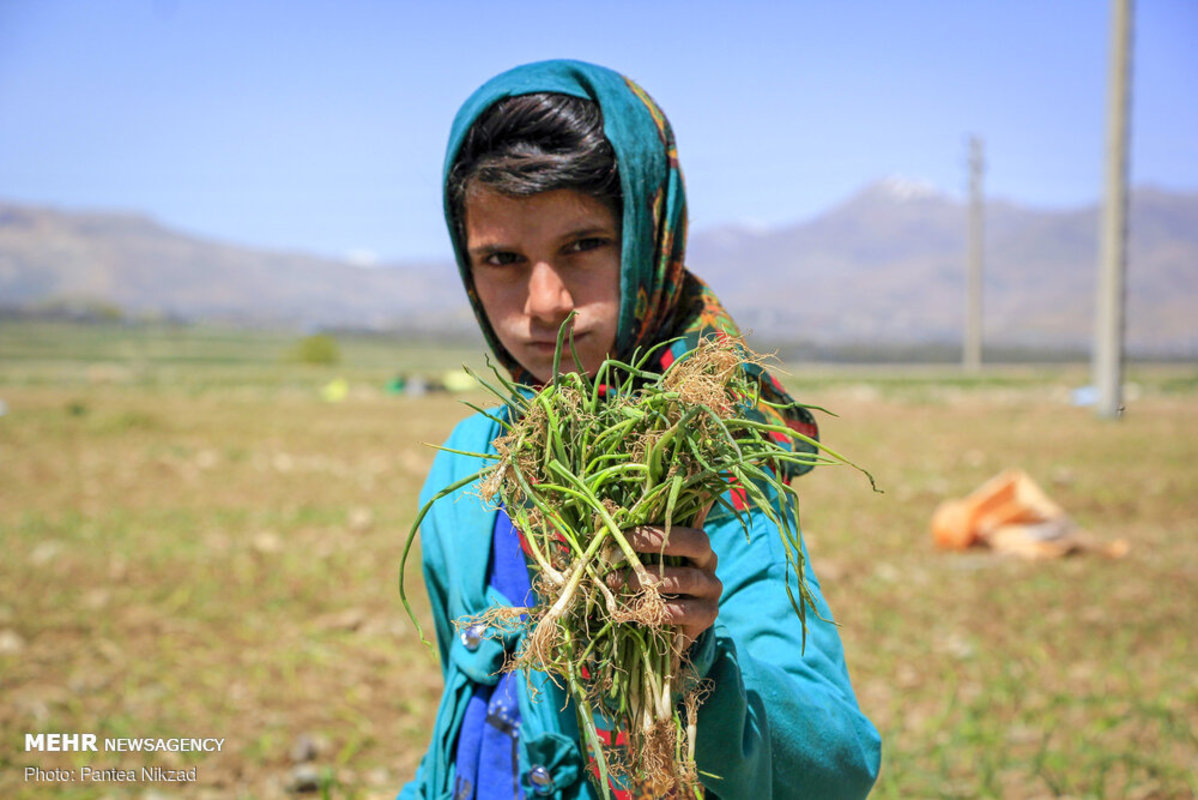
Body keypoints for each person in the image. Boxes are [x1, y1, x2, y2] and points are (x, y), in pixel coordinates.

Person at [399, 59, 880, 800]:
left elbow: (837, 765)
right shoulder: (466, 469)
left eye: (583, 246)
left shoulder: (707, 474)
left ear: (647, 240)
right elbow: (470, 715)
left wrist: (699, 658)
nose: (546, 302)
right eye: (502, 259)